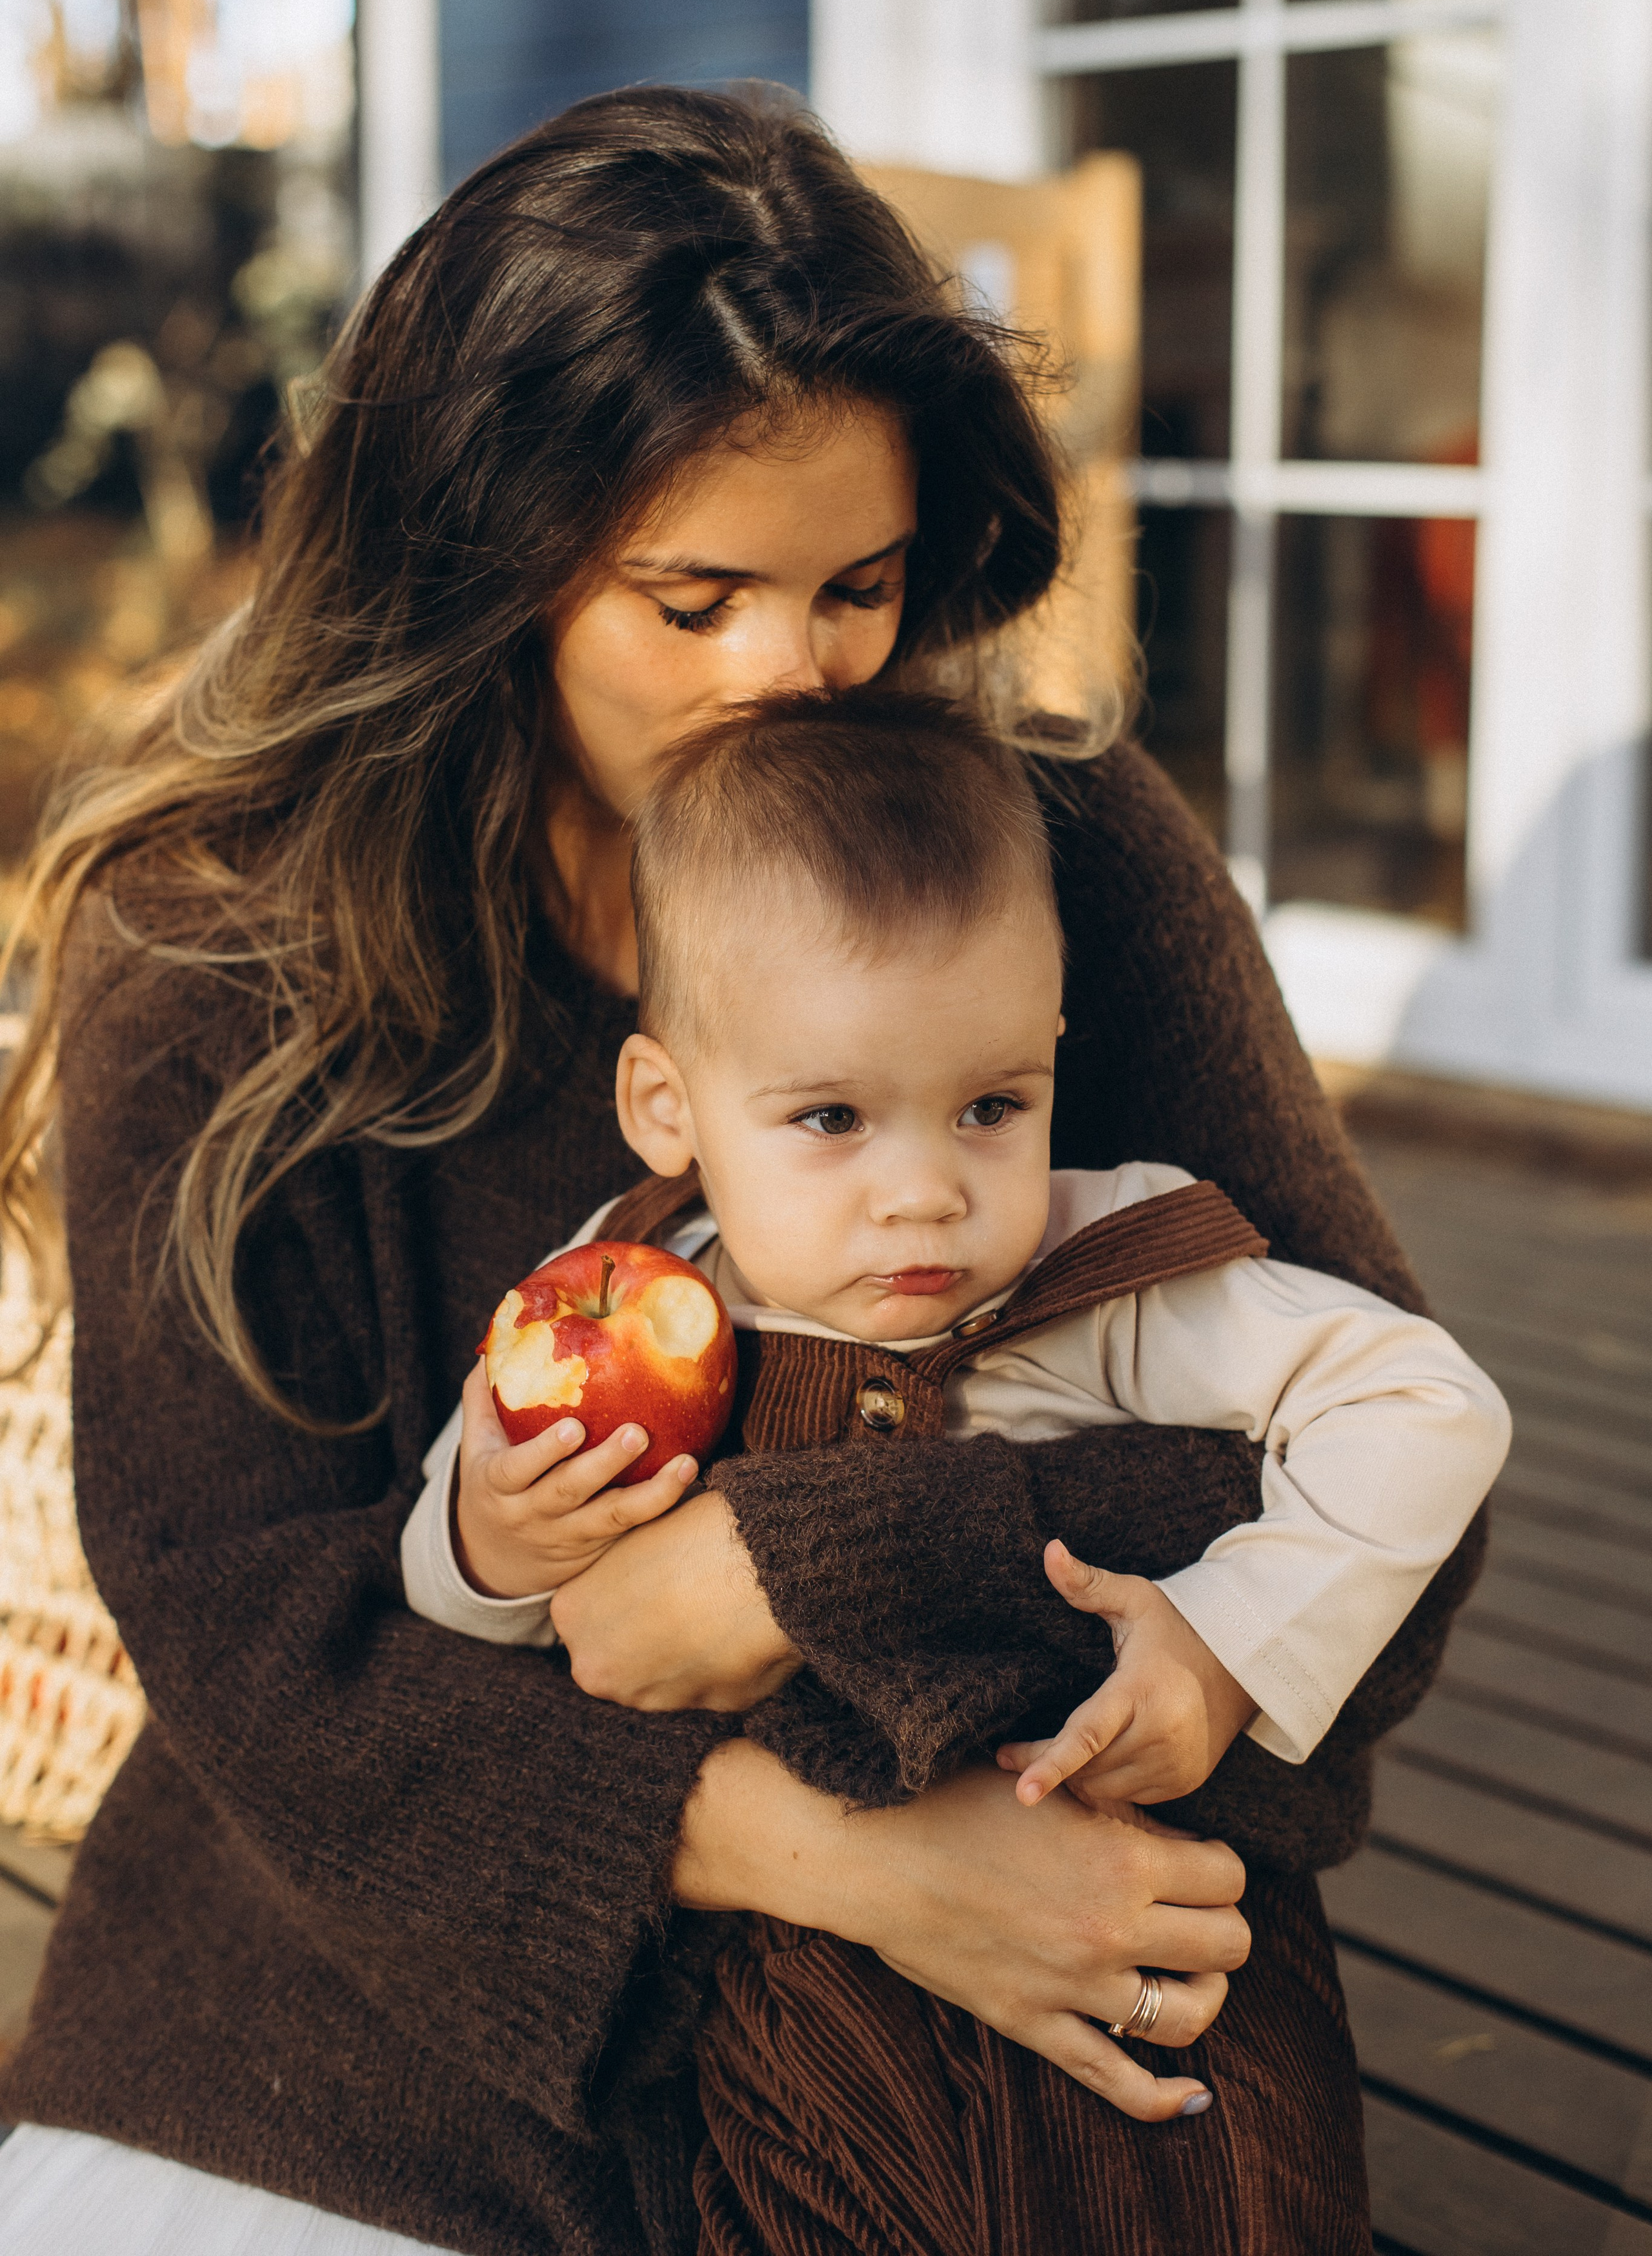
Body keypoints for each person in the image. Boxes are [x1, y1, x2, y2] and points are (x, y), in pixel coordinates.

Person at [0, 85, 1482, 2256]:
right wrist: (849, 1862)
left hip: (1020, 2052)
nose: (792, 676)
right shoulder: (223, 958)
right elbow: (265, 1639)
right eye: (693, 600)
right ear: (483, 562)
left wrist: (806, 1561)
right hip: (367, 2019)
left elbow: (1380, 1488)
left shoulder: (1049, 857)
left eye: (857, 587)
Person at [400, 686, 1508, 2250]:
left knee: (1226, 2194)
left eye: (991, 1107)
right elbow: (456, 1612)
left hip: (1143, 1940)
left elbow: (1421, 1400)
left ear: (1051, 1053)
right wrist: (496, 1538)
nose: (923, 1193)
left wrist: (1228, 1643)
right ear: (667, 1107)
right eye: (831, 1117)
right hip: (805, 1990)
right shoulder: (625, 1300)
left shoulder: (1105, 1275)